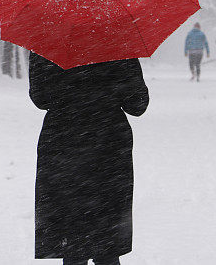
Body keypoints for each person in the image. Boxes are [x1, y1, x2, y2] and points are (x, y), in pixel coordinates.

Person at [29, 52, 149, 265]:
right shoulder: (117, 42)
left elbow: (41, 98)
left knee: (71, 231)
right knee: (107, 234)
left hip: (63, 139)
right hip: (108, 141)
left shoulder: (47, 41)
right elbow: (137, 104)